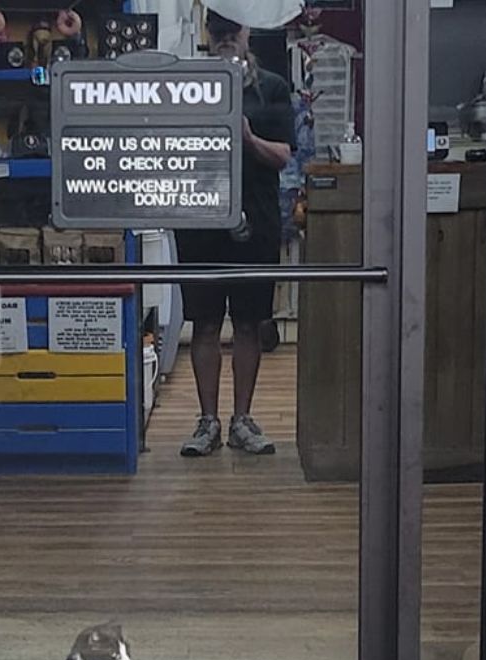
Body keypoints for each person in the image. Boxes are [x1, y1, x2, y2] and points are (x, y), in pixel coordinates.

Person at [176, 11, 295, 457]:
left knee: (249, 321)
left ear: (247, 33)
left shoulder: (274, 89)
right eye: (218, 31)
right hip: (197, 218)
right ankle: (207, 423)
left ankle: (242, 421)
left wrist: (246, 139)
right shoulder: (185, 88)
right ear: (208, 34)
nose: (226, 38)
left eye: (233, 30)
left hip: (256, 217)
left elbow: (283, 156)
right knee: (204, 323)